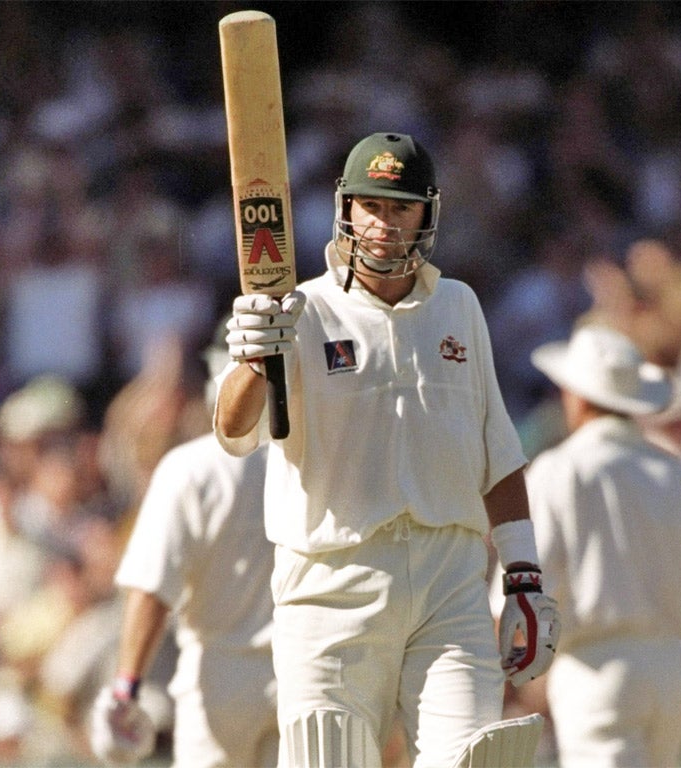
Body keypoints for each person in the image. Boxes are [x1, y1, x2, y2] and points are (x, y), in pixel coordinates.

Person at [214, 132, 559, 767]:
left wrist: (523, 575)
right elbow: (234, 434)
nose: (382, 224)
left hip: (449, 583)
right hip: (331, 583)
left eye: (400, 208)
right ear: (346, 209)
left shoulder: (459, 306)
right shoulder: (301, 309)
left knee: (472, 759)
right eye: (370, 206)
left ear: (428, 213)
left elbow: (497, 452)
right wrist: (252, 361)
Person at [524, 323, 681, 768]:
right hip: (671, 673)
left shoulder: (558, 470)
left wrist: (505, 670)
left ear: (576, 397)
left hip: (594, 670)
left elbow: (525, 588)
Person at [88, 324, 277, 768]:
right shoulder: (316, 461)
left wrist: (125, 689)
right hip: (308, 676)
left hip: (219, 682)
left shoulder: (189, 468)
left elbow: (151, 588)